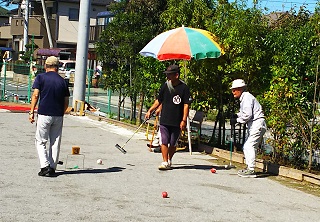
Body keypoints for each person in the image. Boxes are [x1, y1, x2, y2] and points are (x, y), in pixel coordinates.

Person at [29, 56, 70, 177]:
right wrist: (61, 112)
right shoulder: (63, 81)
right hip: (58, 115)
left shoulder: (41, 77)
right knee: (55, 141)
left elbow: (36, 95)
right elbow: (66, 101)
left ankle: (44, 166)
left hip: (44, 113)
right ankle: (52, 167)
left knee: (41, 141)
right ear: (57, 67)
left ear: (46, 66)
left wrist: (31, 111)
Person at [145, 64, 192, 170]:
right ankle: (165, 161)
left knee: (173, 142)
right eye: (167, 74)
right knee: (164, 140)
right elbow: (159, 100)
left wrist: (184, 120)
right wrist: (150, 110)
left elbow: (186, 105)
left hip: (177, 120)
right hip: (165, 119)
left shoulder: (184, 88)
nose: (168, 77)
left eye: (170, 75)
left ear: (176, 75)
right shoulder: (165, 86)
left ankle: (169, 159)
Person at [230, 79, 266, 178]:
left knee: (248, 146)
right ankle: (250, 168)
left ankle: (251, 170)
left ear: (240, 89)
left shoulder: (247, 98)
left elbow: (247, 115)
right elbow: (245, 112)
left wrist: (237, 120)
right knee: (249, 146)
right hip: (255, 124)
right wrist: (236, 115)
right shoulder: (245, 98)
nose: (233, 92)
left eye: (234, 90)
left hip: (257, 123)